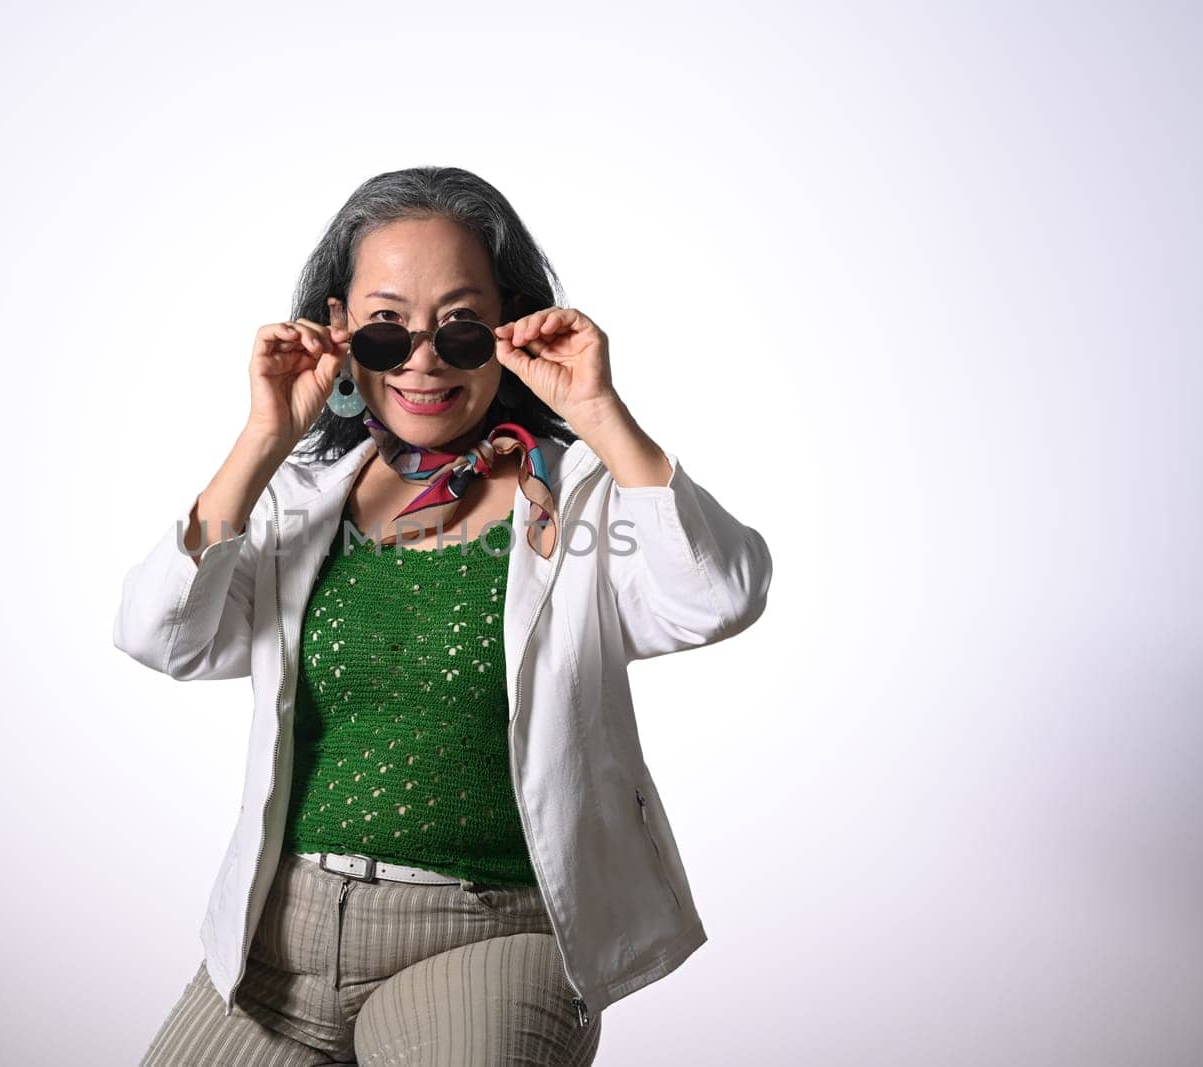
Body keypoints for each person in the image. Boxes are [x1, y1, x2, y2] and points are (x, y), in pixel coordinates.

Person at [114, 166, 773, 1065]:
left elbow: (719, 594)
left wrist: (599, 412)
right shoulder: (301, 499)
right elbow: (161, 635)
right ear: (339, 328)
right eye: (386, 331)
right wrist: (263, 439)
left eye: (460, 329)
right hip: (283, 933)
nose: (421, 360)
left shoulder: (576, 495)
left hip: (492, 931)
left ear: (506, 326)